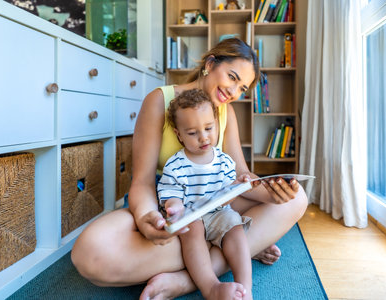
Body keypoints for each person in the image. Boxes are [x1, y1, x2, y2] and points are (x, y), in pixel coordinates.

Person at [71, 38, 308, 300]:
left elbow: (241, 179)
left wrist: (274, 192)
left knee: (298, 198)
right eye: (232, 77)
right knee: (88, 253)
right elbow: (142, 182)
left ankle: (190, 280)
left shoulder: (226, 113)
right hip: (170, 205)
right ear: (210, 64)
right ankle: (241, 247)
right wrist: (146, 218)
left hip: (215, 202)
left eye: (242, 88)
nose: (233, 92)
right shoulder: (160, 101)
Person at [158, 88, 257, 299]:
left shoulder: (224, 161)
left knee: (235, 225)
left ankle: (245, 288)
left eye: (209, 128)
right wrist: (174, 205)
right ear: (179, 135)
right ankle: (210, 287)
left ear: (217, 125)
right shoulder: (175, 165)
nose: (203, 137)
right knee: (191, 228)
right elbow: (170, 193)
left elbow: (227, 197)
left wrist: (237, 186)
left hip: (219, 212)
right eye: (193, 133)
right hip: (192, 215)